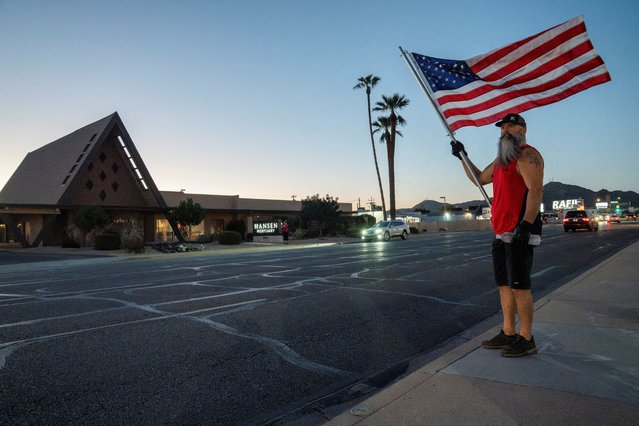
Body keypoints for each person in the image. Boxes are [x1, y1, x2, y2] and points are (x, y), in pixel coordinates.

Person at [451, 112, 544, 357]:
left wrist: (526, 225)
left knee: (519, 286)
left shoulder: (527, 155)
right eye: (502, 127)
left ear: (522, 129)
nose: (504, 130)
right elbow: (480, 178)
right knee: (504, 285)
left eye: (510, 126)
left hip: (518, 230)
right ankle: (508, 332)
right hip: (500, 231)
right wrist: (463, 156)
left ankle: (526, 338)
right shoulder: (502, 160)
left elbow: (535, 190)